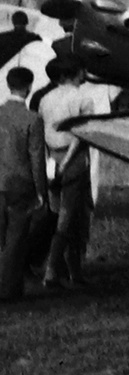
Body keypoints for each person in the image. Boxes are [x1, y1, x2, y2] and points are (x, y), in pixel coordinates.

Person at [37, 56, 98, 288]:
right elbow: (81, 135)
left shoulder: (45, 99)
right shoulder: (82, 98)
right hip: (73, 160)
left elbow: (41, 132)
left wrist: (50, 162)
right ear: (69, 75)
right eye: (79, 72)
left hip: (51, 155)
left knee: (57, 214)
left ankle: (68, 270)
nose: (82, 75)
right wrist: (66, 163)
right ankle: (54, 270)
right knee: (72, 216)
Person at [0, 68, 47, 302]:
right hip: (20, 185)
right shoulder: (33, 119)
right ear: (29, 87)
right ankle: (9, 290)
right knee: (15, 240)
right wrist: (41, 191)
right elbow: (36, 158)